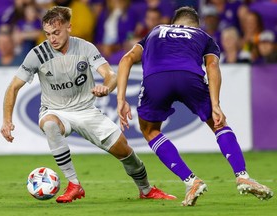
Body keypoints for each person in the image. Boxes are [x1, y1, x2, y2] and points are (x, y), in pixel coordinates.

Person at [0, 6, 176, 203]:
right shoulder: (37, 54)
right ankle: (74, 184)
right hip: (55, 110)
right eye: (48, 34)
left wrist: (106, 88)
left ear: (69, 27)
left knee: (125, 152)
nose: (52, 39)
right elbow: (13, 87)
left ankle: (146, 190)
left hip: (86, 110)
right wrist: (7, 120)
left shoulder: (85, 48)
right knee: (49, 124)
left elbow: (110, 75)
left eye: (56, 32)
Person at [117, 6, 273, 206]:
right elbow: (213, 66)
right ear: (195, 25)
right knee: (218, 124)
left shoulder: (155, 31)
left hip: (156, 79)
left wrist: (121, 99)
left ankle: (191, 181)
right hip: (189, 77)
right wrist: (216, 105)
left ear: (174, 22)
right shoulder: (204, 36)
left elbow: (127, 59)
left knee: (150, 130)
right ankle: (242, 175)